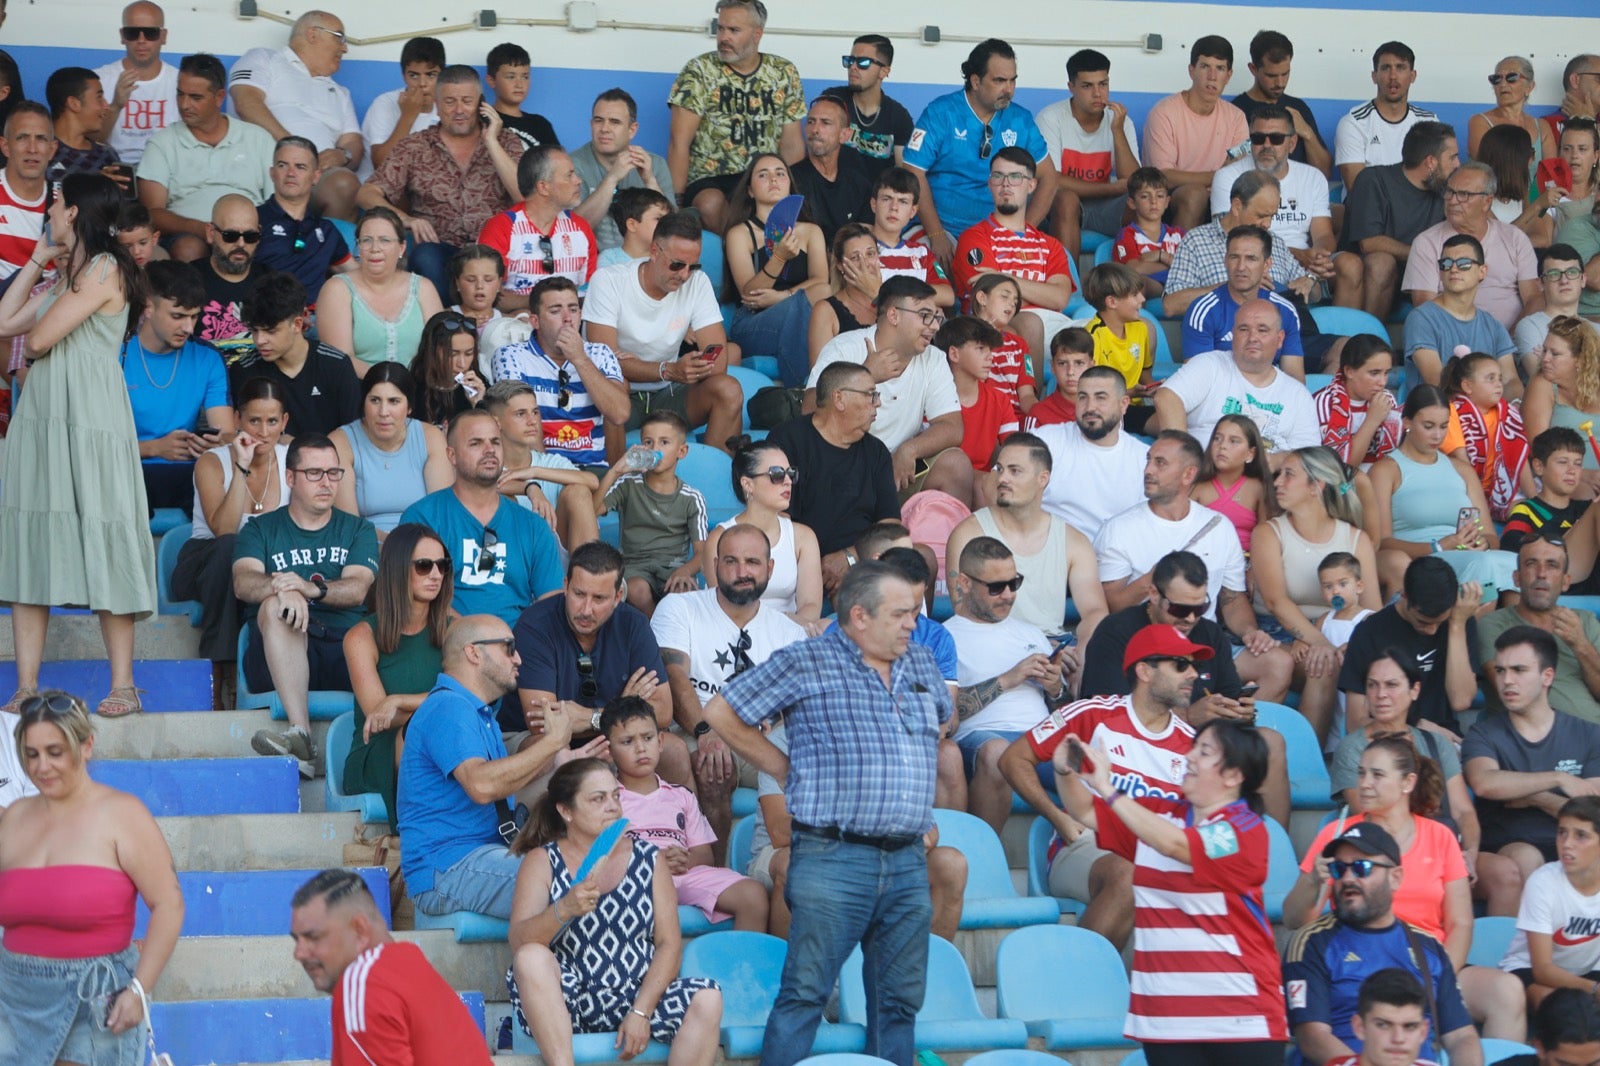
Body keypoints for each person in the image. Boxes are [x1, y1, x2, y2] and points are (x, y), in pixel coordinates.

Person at [701, 561, 951, 1066]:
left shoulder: (921, 662)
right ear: (859, 616)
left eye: (915, 611)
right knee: (806, 996)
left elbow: (943, 722)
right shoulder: (805, 661)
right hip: (833, 856)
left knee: (899, 1003)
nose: (913, 622)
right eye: (901, 613)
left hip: (905, 859)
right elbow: (721, 712)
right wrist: (783, 767)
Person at [0, 173, 157, 718]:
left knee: (106, 536)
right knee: (32, 539)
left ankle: (124, 685)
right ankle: (25, 685)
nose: (50, 210)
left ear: (76, 213)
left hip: (90, 419)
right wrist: (39, 258)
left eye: (57, 204)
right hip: (44, 418)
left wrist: (49, 300)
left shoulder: (106, 267)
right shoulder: (66, 274)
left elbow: (37, 340)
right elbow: (4, 322)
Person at [1056, 717, 1287, 1061]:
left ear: (1234, 776)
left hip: (1241, 1015)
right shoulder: (1158, 815)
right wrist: (1066, 772)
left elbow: (1177, 846)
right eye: (1193, 747)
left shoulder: (1245, 827)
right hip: (1165, 1020)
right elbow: (1086, 811)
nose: (1190, 757)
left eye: (1205, 752)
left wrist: (1109, 788)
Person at [1289, 734, 1529, 1040]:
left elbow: (1460, 922)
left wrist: (1436, 981)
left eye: (1377, 775)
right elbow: (1297, 920)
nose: (1364, 783)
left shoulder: (1440, 836)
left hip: (1431, 961)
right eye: (1361, 773)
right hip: (1359, 961)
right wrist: (1313, 882)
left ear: (1407, 782)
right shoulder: (1338, 836)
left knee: (1506, 991)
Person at [0, 692, 184, 1066]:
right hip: (16, 998)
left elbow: (169, 904)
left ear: (86, 745)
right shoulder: (14, 817)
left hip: (97, 999)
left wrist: (139, 989)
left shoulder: (124, 814)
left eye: (55, 752)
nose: (42, 767)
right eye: (31, 755)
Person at [1000, 619, 1206, 949]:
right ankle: (1080, 988)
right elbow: (1012, 760)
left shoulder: (1194, 745)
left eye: (1193, 667)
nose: (1193, 675)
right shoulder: (1092, 714)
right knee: (1128, 875)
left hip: (1156, 853)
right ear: (1145, 671)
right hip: (1087, 847)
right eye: (1181, 665)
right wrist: (1059, 818)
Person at [504, 758, 724, 1065]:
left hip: (637, 993)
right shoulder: (542, 860)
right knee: (530, 958)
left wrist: (640, 1012)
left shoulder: (650, 858)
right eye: (598, 799)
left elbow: (669, 945)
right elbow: (518, 940)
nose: (612, 806)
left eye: (615, 796)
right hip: (569, 998)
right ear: (566, 811)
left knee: (708, 997)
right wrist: (564, 909)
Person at [397, 613, 588, 919]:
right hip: (449, 867)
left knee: (597, 867)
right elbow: (482, 786)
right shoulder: (449, 707)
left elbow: (500, 781)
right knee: (572, 885)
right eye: (509, 648)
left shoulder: (476, 712)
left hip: (485, 856)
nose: (520, 659)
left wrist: (560, 758)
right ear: (473, 652)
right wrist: (553, 743)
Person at [1094, 431, 1295, 696]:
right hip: (1145, 645)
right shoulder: (1118, 529)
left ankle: (1226, 732)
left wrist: (1250, 632)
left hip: (1205, 645)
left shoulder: (1219, 526)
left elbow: (1232, 600)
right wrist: (1153, 581)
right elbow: (1111, 606)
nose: (1148, 470)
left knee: (1278, 664)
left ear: (1188, 475)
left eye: (1160, 463)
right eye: (1149, 460)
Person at [655, 523, 807, 853]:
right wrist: (706, 730)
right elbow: (674, 677)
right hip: (694, 728)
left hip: (756, 738)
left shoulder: (789, 633)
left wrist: (772, 720)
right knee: (713, 767)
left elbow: (793, 705)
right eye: (731, 561)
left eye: (752, 562)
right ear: (715, 565)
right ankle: (715, 876)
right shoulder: (680, 608)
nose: (742, 572)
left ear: (769, 568)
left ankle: (781, 865)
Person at [1282, 821, 1484, 1066]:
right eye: (1339, 869)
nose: (1348, 878)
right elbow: (1313, 1037)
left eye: (1361, 867)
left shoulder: (1428, 947)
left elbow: (1462, 1036)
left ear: (1395, 878)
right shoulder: (1312, 942)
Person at [233, 433, 378, 775]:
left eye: (333, 473)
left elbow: (358, 588)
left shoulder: (358, 529)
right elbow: (243, 582)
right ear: (290, 478)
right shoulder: (260, 529)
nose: (326, 482)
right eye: (314, 473)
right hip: (277, 652)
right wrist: (282, 590)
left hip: (343, 648)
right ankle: (302, 736)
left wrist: (308, 589)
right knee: (273, 607)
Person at [1328, 653, 1499, 905]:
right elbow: (1368, 814)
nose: (1380, 694)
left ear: (1415, 690)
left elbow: (1463, 811)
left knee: (1505, 874)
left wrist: (1470, 854)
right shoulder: (1353, 748)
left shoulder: (1436, 742)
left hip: (1445, 845)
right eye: (1372, 685)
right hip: (1389, 850)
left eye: (1391, 685)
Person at [289, 868, 491, 1065]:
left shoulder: (363, 982)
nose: (298, 953)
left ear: (359, 930)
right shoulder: (406, 962)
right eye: (297, 940)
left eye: (313, 937)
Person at [357, 64, 525, 300]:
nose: (459, 110)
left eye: (467, 101)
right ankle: (445, 327)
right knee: (425, 256)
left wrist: (492, 143)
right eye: (449, 102)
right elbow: (366, 193)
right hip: (439, 249)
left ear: (481, 103)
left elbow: (523, 196)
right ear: (437, 105)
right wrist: (407, 219)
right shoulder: (415, 146)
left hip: (494, 249)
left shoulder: (506, 141)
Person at [511, 542, 679, 775]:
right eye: (579, 594)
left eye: (599, 598)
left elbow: (662, 710)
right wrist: (624, 705)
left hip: (614, 736)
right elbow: (545, 725)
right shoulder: (535, 626)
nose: (586, 610)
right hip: (541, 741)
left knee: (673, 750)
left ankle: (683, 811)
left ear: (618, 596)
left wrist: (593, 718)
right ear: (566, 585)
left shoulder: (633, 624)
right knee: (551, 750)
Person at [582, 211, 742, 452]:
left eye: (693, 266)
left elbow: (717, 362)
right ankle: (613, 483)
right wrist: (667, 370)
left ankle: (717, 479)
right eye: (677, 265)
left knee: (728, 389)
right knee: (614, 381)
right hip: (623, 394)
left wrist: (688, 369)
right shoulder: (609, 281)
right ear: (654, 251)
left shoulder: (697, 282)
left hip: (668, 393)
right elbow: (603, 362)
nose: (685, 274)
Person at [606, 694, 769, 930]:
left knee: (753, 895)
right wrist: (653, 862)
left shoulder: (680, 795)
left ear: (661, 741)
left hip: (684, 873)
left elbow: (705, 855)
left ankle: (739, 966)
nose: (641, 748)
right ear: (609, 750)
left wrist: (683, 860)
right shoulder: (606, 798)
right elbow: (598, 858)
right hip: (633, 879)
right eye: (628, 741)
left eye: (648, 738)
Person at [1252, 446, 1382, 738]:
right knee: (1323, 664)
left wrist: (1352, 646)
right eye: (1278, 474)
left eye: (1289, 474)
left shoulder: (1354, 538)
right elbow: (1276, 602)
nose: (1277, 482)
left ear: (1316, 485)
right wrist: (1321, 642)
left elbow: (1372, 611)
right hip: (1281, 635)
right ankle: (1308, 763)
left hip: (1340, 634)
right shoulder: (1269, 533)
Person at [945, 536, 1073, 833]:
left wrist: (1055, 689)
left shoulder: (1031, 633)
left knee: (1093, 756)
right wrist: (1008, 679)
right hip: (982, 737)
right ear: (964, 583)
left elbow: (1065, 713)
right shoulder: (944, 637)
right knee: (998, 752)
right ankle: (984, 856)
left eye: (1014, 583)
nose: (1008, 595)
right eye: (995, 587)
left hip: (1040, 737)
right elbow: (945, 715)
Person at [177, 377, 290, 703]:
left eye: (272, 421)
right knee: (231, 548)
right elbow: (224, 530)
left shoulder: (290, 461)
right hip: (206, 561)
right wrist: (241, 467)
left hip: (265, 560)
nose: (263, 432)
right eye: (254, 420)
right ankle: (220, 668)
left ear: (284, 422)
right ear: (237, 419)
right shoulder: (212, 462)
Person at [399, 408, 563, 628]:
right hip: (446, 642)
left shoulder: (533, 526)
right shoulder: (422, 518)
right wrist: (478, 635)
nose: (489, 450)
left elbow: (551, 603)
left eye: (495, 442)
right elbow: (417, 598)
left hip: (517, 647)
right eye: (476, 443)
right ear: (452, 455)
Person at [806, 275, 965, 499]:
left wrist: (910, 450)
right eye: (924, 316)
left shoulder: (934, 359)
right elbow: (810, 410)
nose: (934, 326)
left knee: (956, 465)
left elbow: (952, 427)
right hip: (844, 464)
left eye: (936, 318)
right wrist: (867, 375)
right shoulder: (845, 348)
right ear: (893, 315)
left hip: (898, 469)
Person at [902, 38, 1055, 267]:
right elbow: (913, 172)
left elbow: (1049, 177)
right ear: (975, 81)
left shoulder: (1020, 119)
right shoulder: (941, 113)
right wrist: (936, 234)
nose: (1009, 89)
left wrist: (1022, 233)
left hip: (997, 234)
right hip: (940, 230)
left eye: (1013, 80)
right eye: (1000, 81)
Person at [1465, 626, 1600, 884]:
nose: (1506, 680)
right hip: (1511, 843)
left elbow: (1591, 813)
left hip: (1578, 843)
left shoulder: (1589, 734)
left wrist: (1536, 797)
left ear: (1547, 676)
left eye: (1519, 670)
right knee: (1528, 859)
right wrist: (1558, 778)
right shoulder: (1483, 734)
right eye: (1501, 670)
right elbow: (1485, 783)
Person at [946, 432, 1108, 638]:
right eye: (1000, 469)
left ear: (1043, 479)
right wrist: (1029, 647)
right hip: (991, 647)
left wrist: (1081, 652)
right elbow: (965, 615)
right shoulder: (968, 534)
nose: (1002, 478)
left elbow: (1095, 610)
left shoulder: (1073, 541)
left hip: (1052, 650)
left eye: (1015, 471)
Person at [666, 0, 803, 236]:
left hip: (760, 174)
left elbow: (791, 143)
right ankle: (740, 259)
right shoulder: (700, 70)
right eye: (720, 29)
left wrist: (793, 196)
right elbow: (679, 142)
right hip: (710, 178)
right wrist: (675, 204)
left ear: (757, 34)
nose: (724, 37)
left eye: (734, 30)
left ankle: (757, 260)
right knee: (710, 204)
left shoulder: (783, 72)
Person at [764, 362, 900, 596]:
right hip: (797, 559)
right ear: (839, 399)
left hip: (860, 561)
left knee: (913, 561)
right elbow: (774, 513)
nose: (878, 403)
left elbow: (890, 525)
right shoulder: (788, 439)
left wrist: (850, 557)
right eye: (871, 395)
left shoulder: (877, 452)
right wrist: (811, 563)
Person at [1369, 385, 1516, 600]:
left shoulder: (1462, 469)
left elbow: (1492, 536)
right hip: (1422, 557)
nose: (1437, 435)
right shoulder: (1386, 470)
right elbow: (1382, 541)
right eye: (1428, 426)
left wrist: (1483, 543)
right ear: (1407, 422)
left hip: (1464, 555)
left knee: (1518, 564)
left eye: (1444, 426)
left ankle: (1514, 629)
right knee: (1483, 565)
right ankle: (1476, 629)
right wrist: (1438, 546)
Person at [1210, 104, 1359, 308]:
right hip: (1255, 257)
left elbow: (1323, 235)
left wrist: (1318, 258)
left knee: (1350, 265)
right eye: (1258, 138)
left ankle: (1341, 333)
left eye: (1277, 139)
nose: (1266, 145)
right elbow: (1231, 236)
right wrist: (1298, 254)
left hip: (1306, 261)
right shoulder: (1228, 176)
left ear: (1292, 143)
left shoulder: (1312, 177)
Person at [137, 53, 275, 264]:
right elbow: (152, 213)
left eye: (195, 97)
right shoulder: (162, 143)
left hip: (249, 235)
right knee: (188, 247)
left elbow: (277, 203)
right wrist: (200, 229)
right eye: (180, 94)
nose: (184, 105)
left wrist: (239, 234)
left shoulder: (258, 139)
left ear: (219, 97)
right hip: (189, 236)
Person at [123, 258, 235, 512]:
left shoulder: (207, 357)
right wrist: (154, 448)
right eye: (178, 316)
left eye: (194, 316)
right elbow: (93, 446)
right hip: (128, 469)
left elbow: (225, 432)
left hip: (190, 472)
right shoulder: (116, 353)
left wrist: (215, 444)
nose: (188, 327)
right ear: (148, 307)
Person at [949, 147, 1075, 363]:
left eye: (1016, 177)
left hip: (1054, 327)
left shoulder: (1050, 245)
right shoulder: (974, 238)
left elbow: (1060, 297)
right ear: (990, 184)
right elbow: (989, 301)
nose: (1005, 184)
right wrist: (1039, 294)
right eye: (998, 176)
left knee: (1100, 329)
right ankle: (1032, 397)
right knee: (1030, 322)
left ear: (1031, 185)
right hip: (999, 328)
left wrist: (1006, 280)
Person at [1338, 553, 1482, 739]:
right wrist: (1418, 727)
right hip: (1388, 740)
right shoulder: (1370, 632)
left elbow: (1461, 700)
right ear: (1404, 595)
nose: (1432, 630)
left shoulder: (1460, 620)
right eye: (1423, 621)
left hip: (1444, 738)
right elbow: (1356, 722)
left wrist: (1456, 625)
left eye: (1439, 622)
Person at [496, 275, 630, 469]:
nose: (568, 318)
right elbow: (523, 424)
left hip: (593, 468)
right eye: (555, 311)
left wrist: (580, 359)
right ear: (535, 321)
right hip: (541, 468)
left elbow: (619, 414)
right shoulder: (510, 356)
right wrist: (547, 480)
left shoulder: (600, 353)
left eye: (573, 309)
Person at [721, 153, 830, 388]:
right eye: (763, 174)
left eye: (780, 173)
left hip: (797, 312)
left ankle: (801, 390)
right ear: (750, 190)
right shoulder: (739, 234)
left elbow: (822, 283)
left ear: (790, 184)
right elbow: (750, 296)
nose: (773, 179)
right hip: (753, 322)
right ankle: (806, 389)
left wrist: (782, 298)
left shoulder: (811, 231)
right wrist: (779, 257)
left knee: (818, 299)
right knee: (806, 311)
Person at [1156, 298, 1320, 452]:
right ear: (1233, 334)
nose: (1252, 338)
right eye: (1243, 329)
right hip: (1206, 475)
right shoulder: (1209, 365)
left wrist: (1269, 463)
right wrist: (1184, 457)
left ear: (1279, 339)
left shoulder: (1298, 394)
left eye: (1262, 330)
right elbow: (1166, 397)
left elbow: (1307, 456)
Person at [1339, 120, 1458, 320]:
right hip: (1369, 275)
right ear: (1431, 162)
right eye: (1452, 157)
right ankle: (1368, 341)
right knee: (1382, 262)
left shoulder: (1446, 187)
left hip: (1423, 275)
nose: (1458, 164)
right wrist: (1423, 254)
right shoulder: (1374, 179)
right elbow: (1369, 243)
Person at [1403, 163, 1542, 332]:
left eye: (1464, 194)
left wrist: (1507, 341)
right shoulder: (1427, 242)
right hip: (1453, 341)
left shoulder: (1515, 238)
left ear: (1487, 201)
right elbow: (1425, 307)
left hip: (1512, 341)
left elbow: (1534, 299)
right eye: (1450, 192)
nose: (1452, 201)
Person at [1161, 169, 1315, 321]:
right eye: (1261, 216)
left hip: (1287, 331)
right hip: (1231, 336)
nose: (1268, 224)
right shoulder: (1196, 241)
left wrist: (1309, 281)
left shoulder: (1275, 242)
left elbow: (1315, 293)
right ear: (1237, 206)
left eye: (1272, 216)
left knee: (1338, 343)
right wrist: (1232, 287)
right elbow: (1171, 305)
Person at [702, 439, 824, 628]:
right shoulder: (720, 538)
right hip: (735, 633)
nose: (788, 481)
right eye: (776, 474)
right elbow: (722, 606)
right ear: (747, 484)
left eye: (791, 473)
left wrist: (783, 628)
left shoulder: (803, 536)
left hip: (790, 631)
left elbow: (811, 606)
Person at [595, 410, 708, 613]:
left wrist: (685, 571)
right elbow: (593, 510)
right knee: (638, 591)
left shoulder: (692, 498)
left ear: (681, 452)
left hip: (674, 568)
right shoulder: (628, 484)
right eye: (648, 442)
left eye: (664, 442)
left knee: (683, 592)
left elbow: (702, 552)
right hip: (634, 567)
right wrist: (615, 471)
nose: (654, 448)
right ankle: (653, 640)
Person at [227, 11, 363, 178]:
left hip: (318, 178)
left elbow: (353, 142)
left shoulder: (341, 93)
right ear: (312, 34)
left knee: (345, 183)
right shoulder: (265, 58)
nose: (345, 48)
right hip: (265, 168)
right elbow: (246, 102)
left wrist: (343, 156)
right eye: (339, 37)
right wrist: (296, 151)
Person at [1499, 797, 1600, 1011]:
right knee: (1568, 1012)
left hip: (1586, 973)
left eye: (1581, 835)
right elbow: (1542, 969)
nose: (1567, 843)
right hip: (1528, 971)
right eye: (1562, 832)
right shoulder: (1543, 882)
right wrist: (1593, 990)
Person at [328, 363, 452, 537]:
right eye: (375, 400)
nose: (383, 412)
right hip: (365, 546)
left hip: (424, 543)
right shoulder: (341, 442)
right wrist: (395, 547)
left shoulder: (430, 437)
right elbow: (349, 525)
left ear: (409, 407)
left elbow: (441, 514)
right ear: (363, 403)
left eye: (394, 401)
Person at [233, 271, 362, 437]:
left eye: (270, 331)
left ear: (297, 324)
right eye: (254, 331)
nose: (259, 340)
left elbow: (353, 435)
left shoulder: (336, 365)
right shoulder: (244, 371)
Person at [317, 207, 444, 375]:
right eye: (367, 240)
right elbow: (339, 359)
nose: (375, 248)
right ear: (358, 246)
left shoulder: (423, 288)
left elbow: (440, 351)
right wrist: (390, 382)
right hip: (359, 391)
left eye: (384, 240)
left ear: (401, 248)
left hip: (417, 390)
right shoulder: (337, 289)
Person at [1141, 35, 1250, 231]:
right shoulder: (1164, 113)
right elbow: (1163, 178)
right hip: (1169, 200)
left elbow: (1237, 174)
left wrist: (1219, 179)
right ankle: (1181, 260)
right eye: (1204, 66)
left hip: (1222, 197)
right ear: (1191, 70)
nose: (1212, 76)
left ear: (1229, 75)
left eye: (1220, 68)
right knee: (1195, 195)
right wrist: (1216, 176)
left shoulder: (1236, 117)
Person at [1037, 48, 1138, 258]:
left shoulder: (1121, 121)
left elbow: (1132, 181)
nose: (1098, 93)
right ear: (1071, 87)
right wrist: (1110, 189)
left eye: (1103, 84)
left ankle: (1129, 282)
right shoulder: (1051, 118)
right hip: (1062, 207)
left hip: (1105, 208)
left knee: (1142, 198)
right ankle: (1069, 286)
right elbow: (1053, 180)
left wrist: (1117, 131)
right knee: (1066, 198)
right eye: (1087, 86)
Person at [1033, 365, 1149, 542]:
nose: (1090, 407)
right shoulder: (1046, 440)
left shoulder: (1145, 459)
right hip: (1050, 553)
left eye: (1100, 398)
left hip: (1114, 559)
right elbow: (997, 484)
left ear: (1123, 404)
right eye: (1083, 398)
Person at [483, 379, 600, 552]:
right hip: (514, 562)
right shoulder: (484, 464)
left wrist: (534, 472)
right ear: (496, 422)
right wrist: (530, 487)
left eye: (535, 412)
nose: (532, 421)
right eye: (521, 414)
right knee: (507, 501)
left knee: (578, 491)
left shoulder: (548, 463)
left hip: (560, 561)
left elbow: (592, 481)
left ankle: (589, 576)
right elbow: (484, 486)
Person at [477, 146, 597, 310]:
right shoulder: (501, 228)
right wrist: (546, 303)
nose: (578, 180)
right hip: (515, 325)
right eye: (569, 175)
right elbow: (487, 295)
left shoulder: (581, 228)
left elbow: (589, 292)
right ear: (543, 187)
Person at [1179, 222, 1310, 372]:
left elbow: (1294, 380)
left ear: (1267, 264)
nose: (1241, 267)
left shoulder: (1285, 311)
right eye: (1234, 257)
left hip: (1268, 393)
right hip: (1220, 394)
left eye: (1251, 258)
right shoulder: (1203, 311)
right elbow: (1197, 380)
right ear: (1225, 260)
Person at [1406, 234, 1520, 390]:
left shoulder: (1493, 326)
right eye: (1446, 263)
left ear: (1482, 271)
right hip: (1441, 411)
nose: (1453, 269)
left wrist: (1509, 409)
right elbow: (1437, 381)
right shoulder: (1421, 318)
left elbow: (1510, 381)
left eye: (1464, 263)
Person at [571, 88, 675, 254]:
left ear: (632, 129)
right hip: (590, 261)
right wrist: (611, 178)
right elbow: (572, 231)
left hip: (645, 262)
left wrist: (650, 180)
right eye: (598, 120)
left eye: (614, 122)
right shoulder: (572, 165)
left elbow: (672, 230)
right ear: (591, 124)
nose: (604, 128)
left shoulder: (655, 164)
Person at [254, 135, 355, 297]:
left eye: (300, 167)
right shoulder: (253, 220)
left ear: (316, 177)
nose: (291, 173)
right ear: (272, 173)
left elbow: (357, 277)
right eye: (282, 165)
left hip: (316, 319)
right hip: (265, 316)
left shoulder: (327, 230)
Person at [1334, 42, 1439, 190]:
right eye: (1385, 68)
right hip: (1371, 210)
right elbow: (1360, 191)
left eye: (1400, 67)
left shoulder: (1429, 122)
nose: (1393, 76)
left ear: (1413, 76)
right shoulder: (1353, 123)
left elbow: (1438, 178)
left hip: (1418, 209)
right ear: (1374, 76)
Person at [1442, 352, 1534, 519]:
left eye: (1499, 378)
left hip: (1500, 492)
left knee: (1530, 512)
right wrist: (1481, 504)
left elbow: (1519, 460)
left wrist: (1535, 500)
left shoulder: (1507, 413)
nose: (1499, 384)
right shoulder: (1453, 412)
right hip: (1463, 492)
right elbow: (1462, 465)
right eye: (1490, 378)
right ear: (1467, 386)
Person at [1233, 31, 1332, 176]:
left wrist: (1307, 133)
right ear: (1253, 69)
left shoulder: (1298, 108)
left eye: (1285, 74)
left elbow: (1324, 173)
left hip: (1298, 195)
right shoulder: (1237, 112)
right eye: (1271, 75)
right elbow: (1230, 170)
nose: (1280, 83)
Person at [94, 1, 177, 166]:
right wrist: (116, 105)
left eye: (150, 33)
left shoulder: (180, 81)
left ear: (163, 36)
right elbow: (91, 142)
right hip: (113, 169)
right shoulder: (99, 80)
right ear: (122, 36)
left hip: (167, 170)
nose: (141, 40)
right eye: (132, 33)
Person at [821, 34, 914, 180]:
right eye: (850, 60)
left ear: (884, 71)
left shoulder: (899, 117)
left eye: (862, 62)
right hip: (832, 193)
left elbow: (902, 174)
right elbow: (818, 151)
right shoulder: (833, 100)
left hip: (876, 199)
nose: (853, 67)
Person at [789, 96, 873, 245]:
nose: (815, 129)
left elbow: (864, 241)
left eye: (825, 123)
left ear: (844, 135)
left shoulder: (858, 185)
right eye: (810, 122)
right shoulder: (790, 181)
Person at [866, 166, 955, 306]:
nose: (894, 207)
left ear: (913, 211)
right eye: (887, 198)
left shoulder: (922, 253)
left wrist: (895, 294)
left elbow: (948, 295)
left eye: (903, 201)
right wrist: (918, 294)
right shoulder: (861, 249)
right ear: (873, 204)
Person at [358, 36, 443, 180]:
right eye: (414, 75)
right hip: (379, 186)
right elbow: (382, 165)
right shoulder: (384, 103)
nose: (422, 83)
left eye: (431, 75)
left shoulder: (446, 107)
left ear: (442, 76)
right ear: (404, 76)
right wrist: (408, 116)